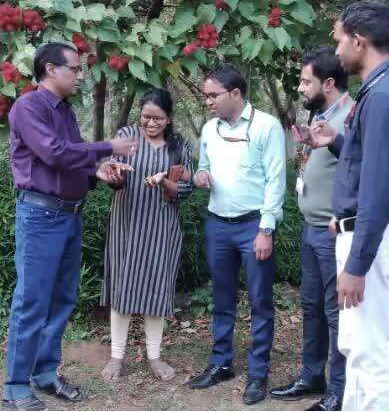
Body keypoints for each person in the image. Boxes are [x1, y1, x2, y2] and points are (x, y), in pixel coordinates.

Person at [2, 42, 137, 411]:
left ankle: (45, 373)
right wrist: (110, 145)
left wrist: (98, 170)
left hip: (69, 214)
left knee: (62, 299)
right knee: (32, 301)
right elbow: (54, 153)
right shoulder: (28, 107)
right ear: (50, 69)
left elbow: (69, 160)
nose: (80, 76)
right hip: (42, 216)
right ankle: (15, 386)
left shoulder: (65, 111)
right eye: (75, 69)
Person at [306, 1, 389, 410]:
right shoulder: (378, 91)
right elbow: (369, 165)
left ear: (358, 40)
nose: (335, 51)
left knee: (369, 353)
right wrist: (333, 142)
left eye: (338, 40)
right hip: (362, 232)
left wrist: (356, 264)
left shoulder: (385, 97)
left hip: (372, 240)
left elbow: (379, 190)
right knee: (354, 345)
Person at [190, 64, 286, 405]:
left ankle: (258, 372)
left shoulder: (266, 126)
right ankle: (221, 363)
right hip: (218, 224)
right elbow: (203, 166)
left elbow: (276, 181)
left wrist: (266, 228)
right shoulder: (209, 129)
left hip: (252, 226)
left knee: (260, 300)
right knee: (222, 298)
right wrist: (201, 176)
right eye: (206, 95)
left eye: (213, 95)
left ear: (235, 94)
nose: (208, 101)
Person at [270, 47, 353, 411]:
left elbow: (360, 166)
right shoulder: (322, 115)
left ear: (329, 83)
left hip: (335, 232)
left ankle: (338, 390)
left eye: (306, 81)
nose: (301, 88)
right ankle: (311, 375)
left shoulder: (351, 117)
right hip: (311, 227)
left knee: (336, 314)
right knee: (311, 307)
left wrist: (333, 143)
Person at [100, 88, 193, 382]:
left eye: (158, 119)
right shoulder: (127, 135)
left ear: (169, 119)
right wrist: (117, 176)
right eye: (146, 118)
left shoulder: (179, 146)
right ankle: (117, 356)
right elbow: (114, 178)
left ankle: (154, 357)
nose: (151, 124)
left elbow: (184, 190)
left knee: (156, 288)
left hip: (161, 227)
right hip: (126, 223)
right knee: (122, 288)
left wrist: (165, 181)